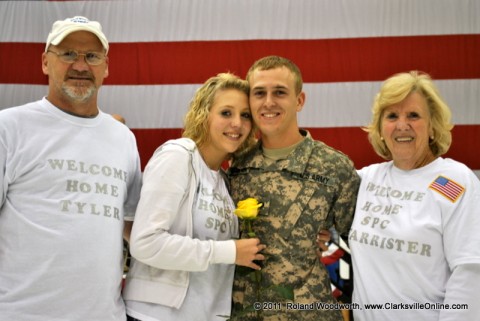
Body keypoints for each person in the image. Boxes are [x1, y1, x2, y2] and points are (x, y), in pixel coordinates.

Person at [0, 16, 142, 320]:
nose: (80, 65)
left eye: (92, 56)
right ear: (44, 62)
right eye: (67, 54)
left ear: (106, 67)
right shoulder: (9, 128)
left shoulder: (123, 139)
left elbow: (134, 227)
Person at [122, 73, 266, 321]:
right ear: (204, 114)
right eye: (226, 113)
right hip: (156, 315)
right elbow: (144, 243)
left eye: (245, 115)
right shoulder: (178, 156)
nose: (237, 124)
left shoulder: (223, 179)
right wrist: (229, 251)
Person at [227, 55, 361, 321]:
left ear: (299, 100)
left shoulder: (334, 167)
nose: (268, 102)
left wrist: (350, 304)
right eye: (259, 93)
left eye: (280, 92)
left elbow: (361, 246)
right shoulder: (235, 166)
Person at [349, 71, 480, 321]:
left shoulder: (453, 181)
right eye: (392, 116)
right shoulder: (365, 180)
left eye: (413, 115)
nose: (402, 125)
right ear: (380, 129)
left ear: (432, 127)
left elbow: (471, 271)